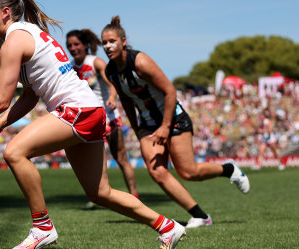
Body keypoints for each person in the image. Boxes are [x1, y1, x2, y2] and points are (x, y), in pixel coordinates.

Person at [0, 0, 185, 249]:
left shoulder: (13, 41)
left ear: (5, 12)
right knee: (100, 192)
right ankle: (167, 227)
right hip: (88, 109)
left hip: (76, 110)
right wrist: (2, 123)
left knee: (15, 152)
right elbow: (29, 96)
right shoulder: (28, 33)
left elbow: (2, 99)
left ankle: (42, 227)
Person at [101, 16, 250, 229]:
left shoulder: (140, 61)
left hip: (173, 118)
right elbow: (126, 101)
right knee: (157, 172)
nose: (108, 46)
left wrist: (165, 126)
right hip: (148, 125)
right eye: (104, 42)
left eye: (112, 41)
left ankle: (228, 169)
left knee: (189, 172)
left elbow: (170, 91)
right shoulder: (111, 72)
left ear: (123, 41)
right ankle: (200, 216)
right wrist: (138, 131)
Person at [66, 29, 139, 210]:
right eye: (69, 45)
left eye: (76, 44)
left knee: (121, 158)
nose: (73, 48)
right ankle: (98, 195)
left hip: (108, 116)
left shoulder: (95, 62)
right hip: (88, 120)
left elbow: (112, 83)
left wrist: (112, 98)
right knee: (93, 163)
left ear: (85, 45)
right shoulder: (69, 66)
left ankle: (135, 197)